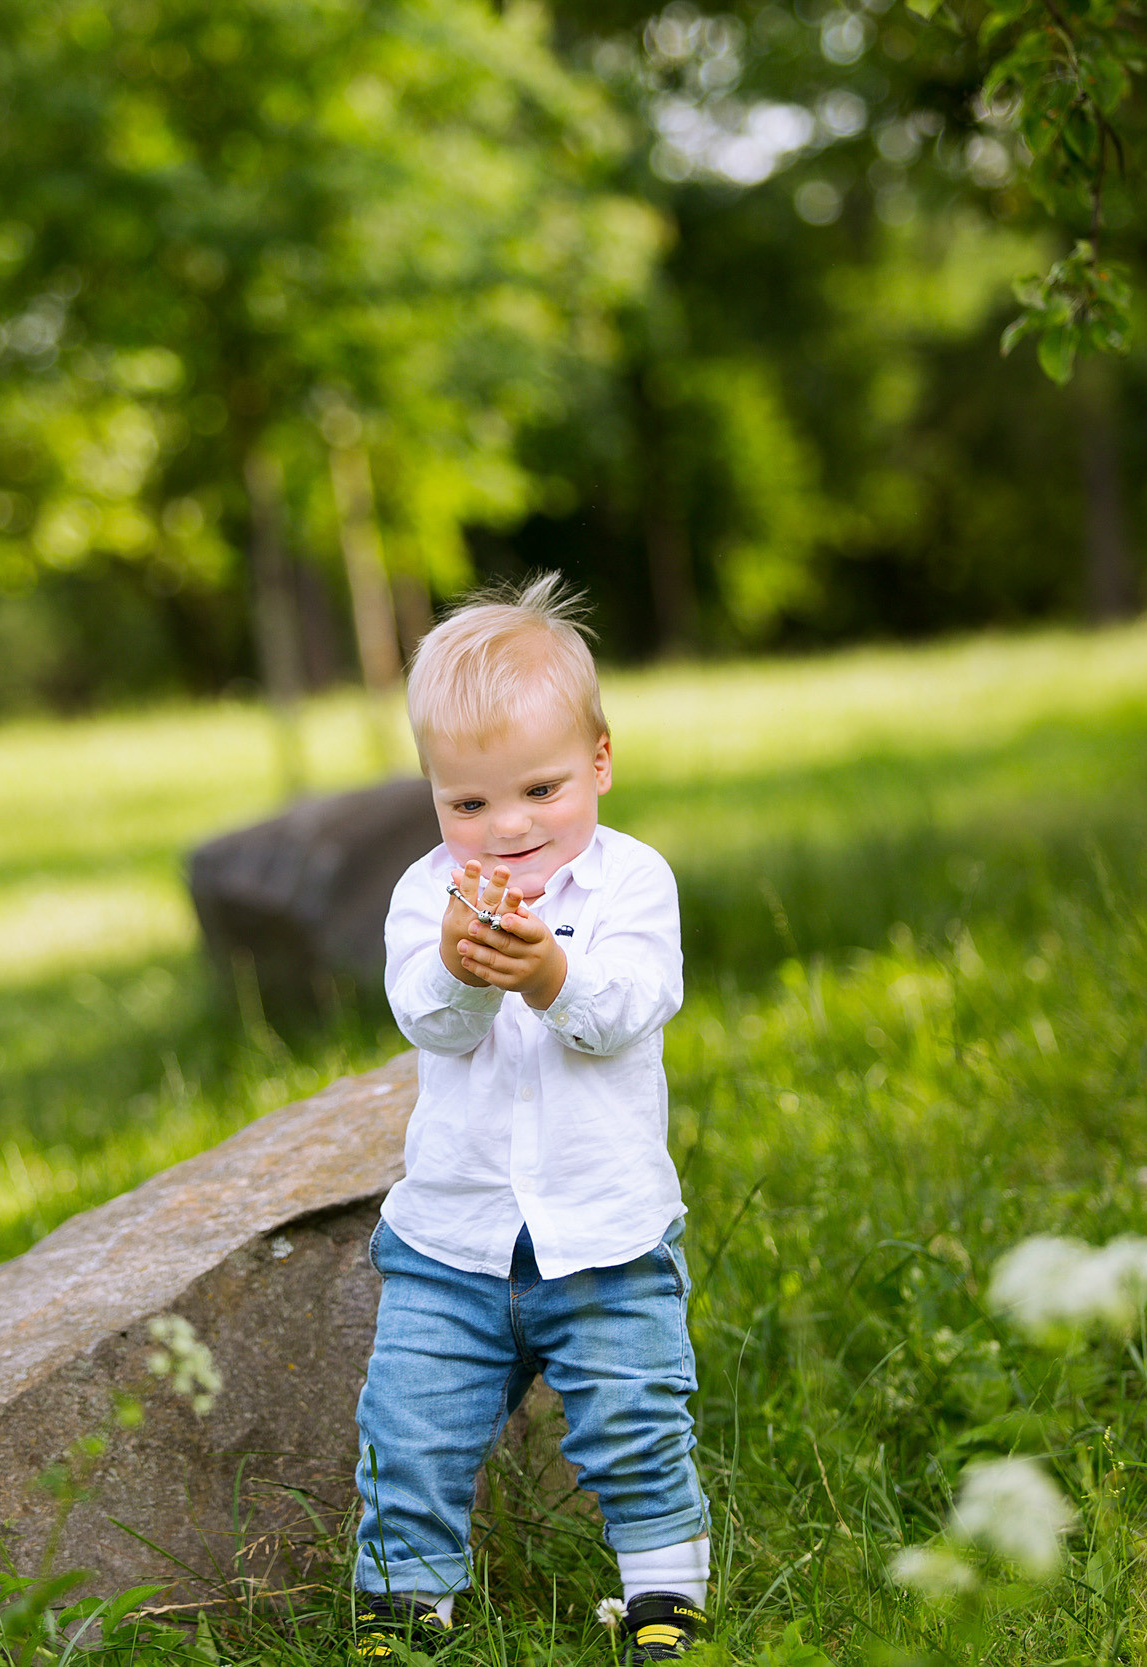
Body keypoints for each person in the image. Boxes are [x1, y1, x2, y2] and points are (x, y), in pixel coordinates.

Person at [351, 574, 711, 1663]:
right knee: (407, 1431)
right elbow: (429, 1019)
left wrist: (551, 972)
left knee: (632, 1420)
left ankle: (663, 1595)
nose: (504, 828)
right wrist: (465, 970)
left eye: (539, 791)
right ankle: (403, 1606)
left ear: (599, 761)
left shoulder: (631, 884)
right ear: (434, 795)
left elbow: (625, 1010)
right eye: (467, 804)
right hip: (450, 1239)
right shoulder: (429, 893)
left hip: (603, 1234)